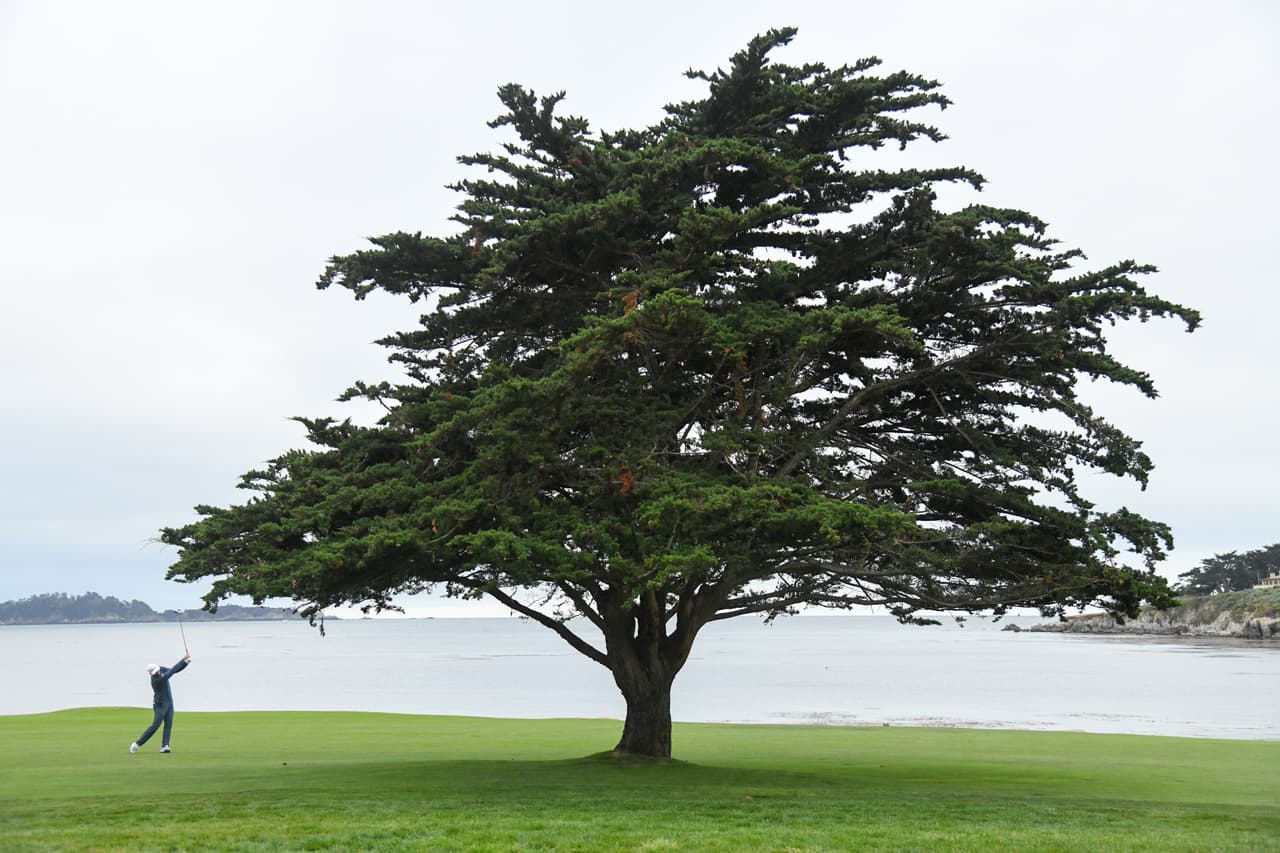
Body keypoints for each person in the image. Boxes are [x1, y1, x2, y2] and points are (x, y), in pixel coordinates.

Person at [129, 652, 191, 754]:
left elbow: (174, 670)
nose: (157, 672)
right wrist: (183, 659)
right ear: (151, 674)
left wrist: (186, 663)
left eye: (157, 671)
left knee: (169, 723)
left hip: (169, 702)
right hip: (160, 705)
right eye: (155, 672)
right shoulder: (157, 680)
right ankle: (137, 744)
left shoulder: (160, 669)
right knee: (155, 725)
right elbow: (172, 671)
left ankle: (165, 746)